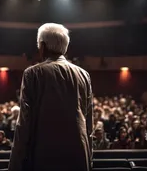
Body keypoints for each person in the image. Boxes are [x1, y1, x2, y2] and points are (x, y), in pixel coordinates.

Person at [8, 23, 93, 171]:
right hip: (79, 156)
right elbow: (88, 123)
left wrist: (15, 165)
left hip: (44, 155)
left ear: (42, 46)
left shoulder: (32, 73)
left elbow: (24, 123)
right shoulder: (84, 75)